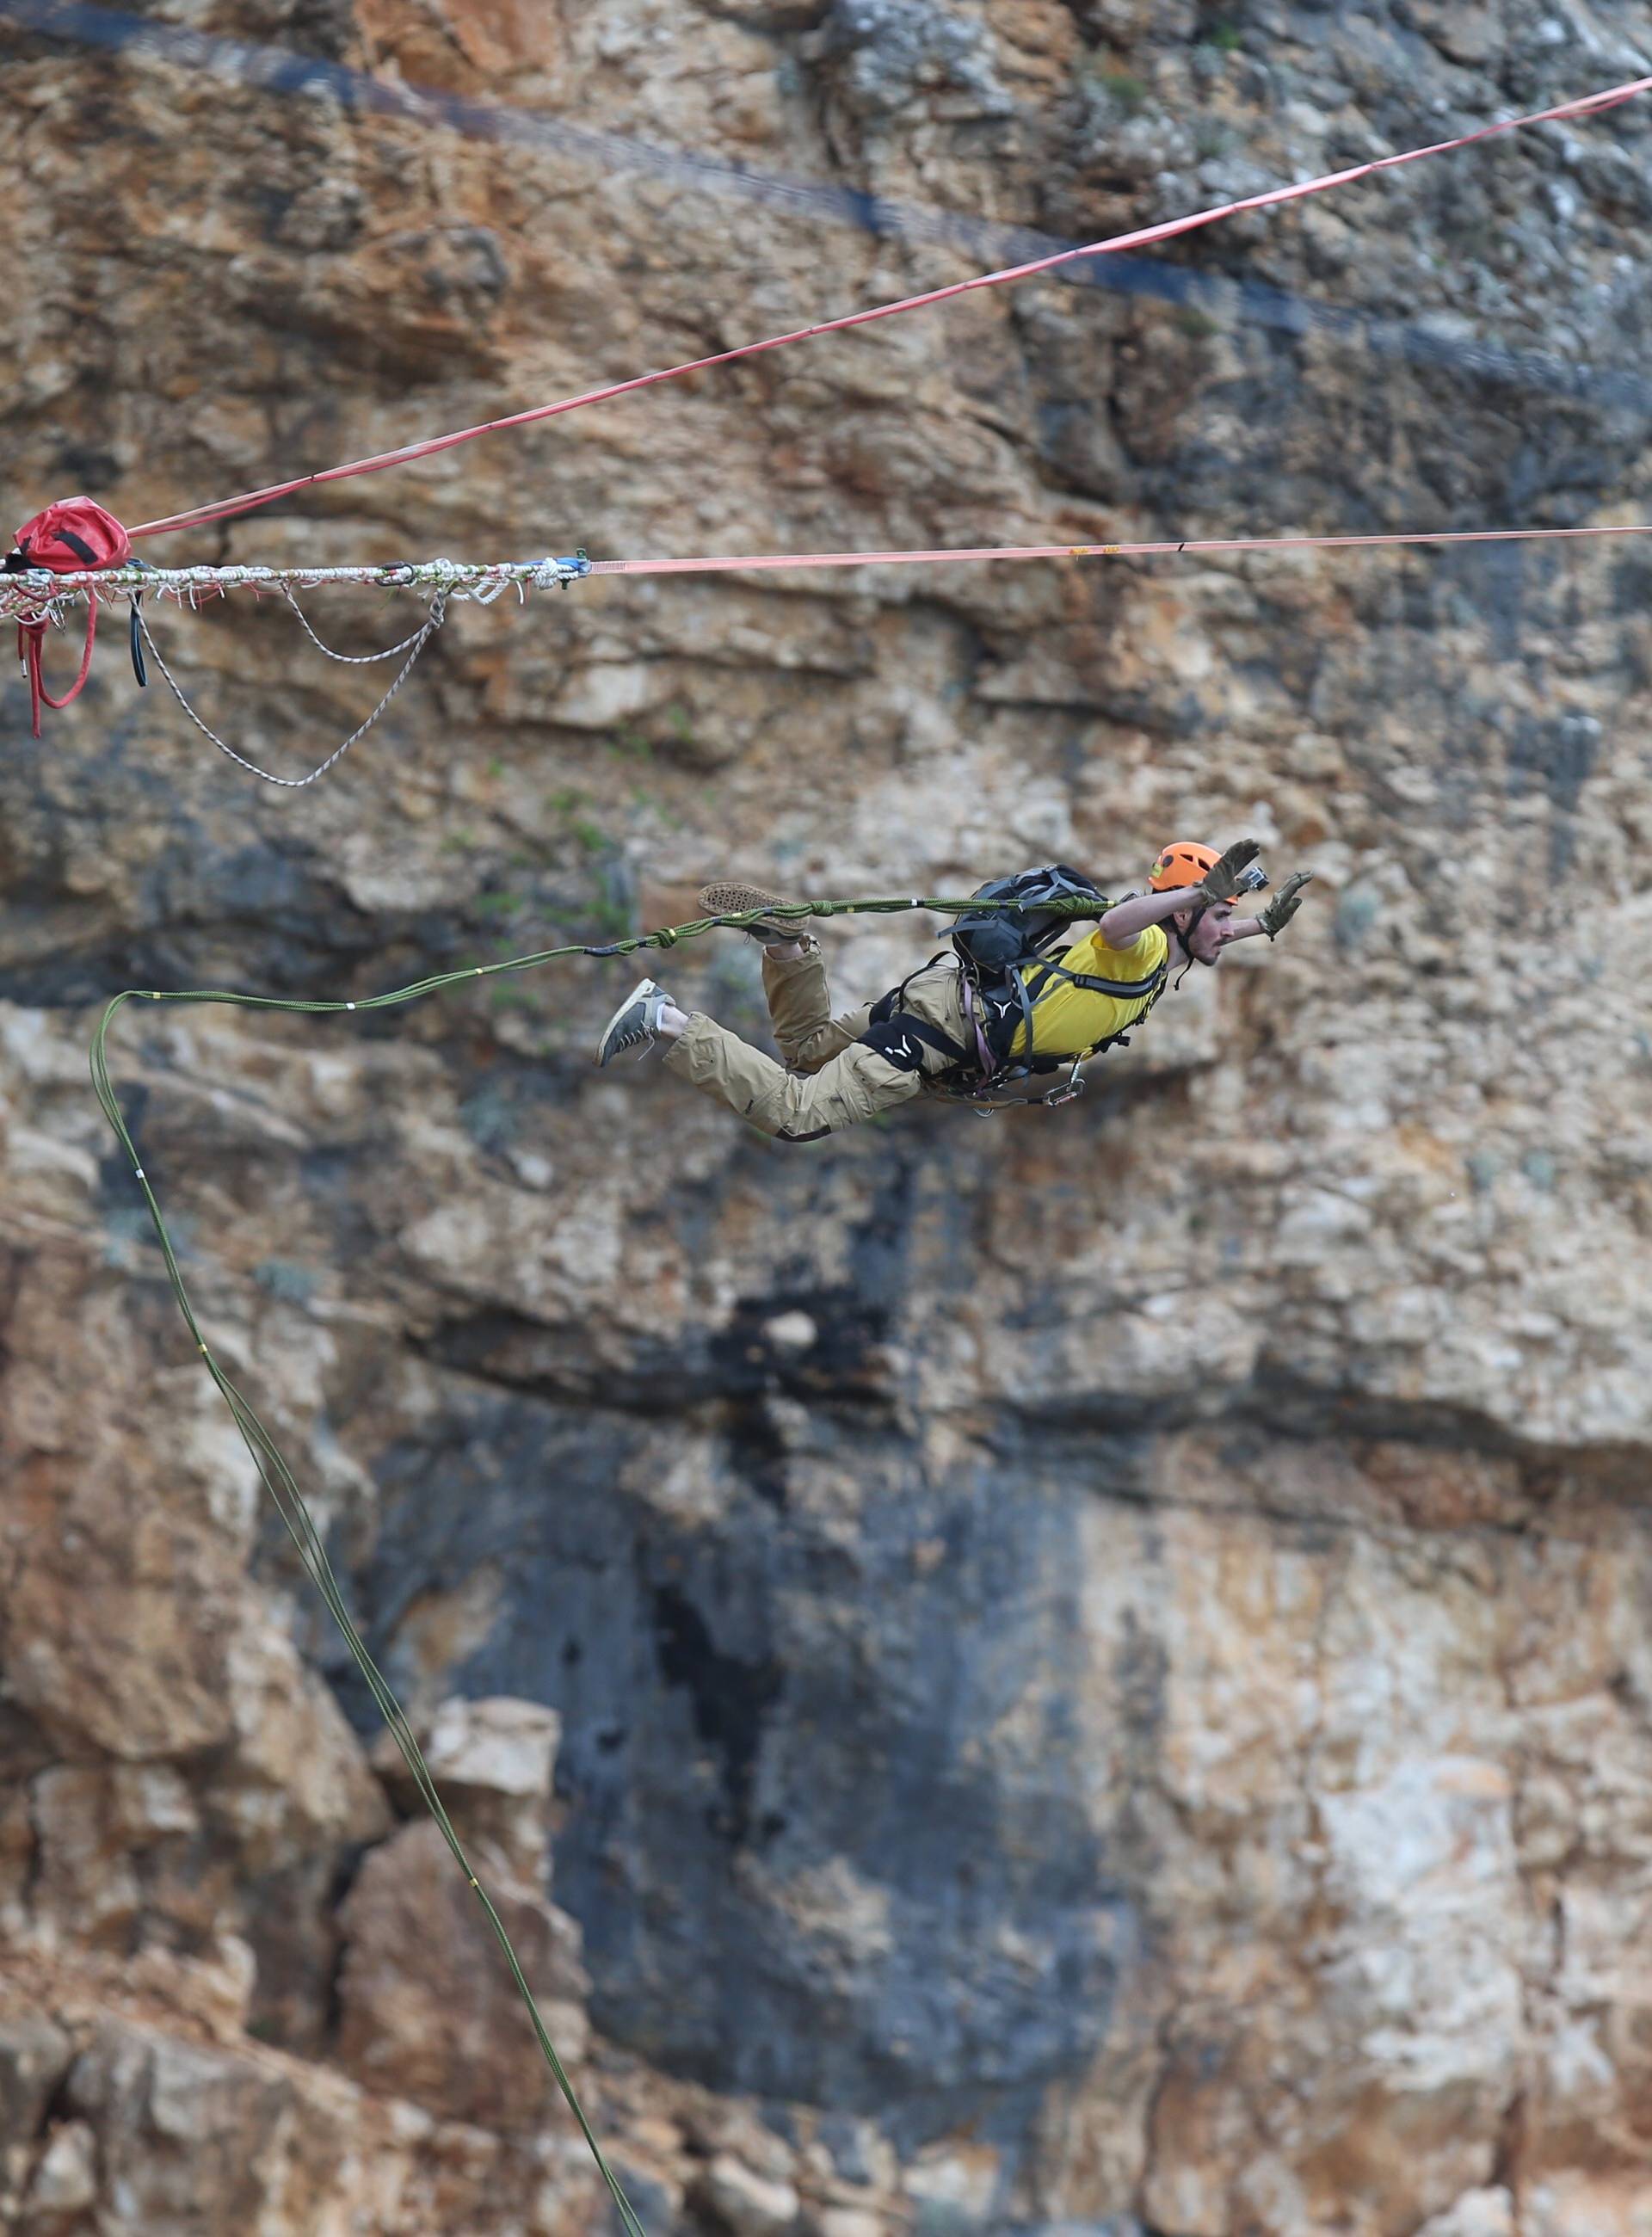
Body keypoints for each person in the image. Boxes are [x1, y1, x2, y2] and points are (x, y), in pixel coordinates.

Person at [592, 841, 1311, 1142]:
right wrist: (1193, 895)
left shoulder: (1169, 954)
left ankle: (788, 945)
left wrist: (1259, 930)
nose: (1226, 927)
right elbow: (1123, 919)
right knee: (797, 1114)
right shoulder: (1148, 940)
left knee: (806, 1051)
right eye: (1220, 915)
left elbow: (1203, 933)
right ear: (1185, 907)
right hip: (940, 1031)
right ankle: (666, 1020)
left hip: (945, 1007)